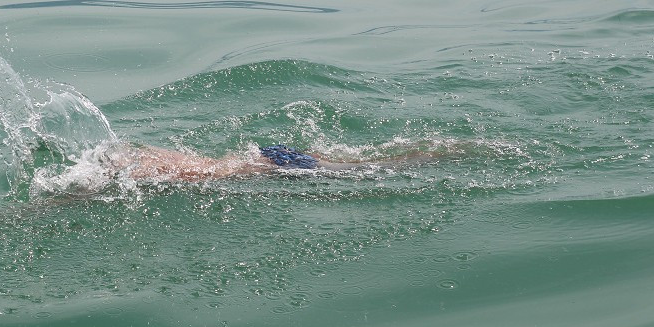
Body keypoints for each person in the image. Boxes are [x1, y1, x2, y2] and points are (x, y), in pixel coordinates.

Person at [101, 142, 455, 182]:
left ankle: (435, 155)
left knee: (363, 169)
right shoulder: (140, 156)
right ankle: (439, 153)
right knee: (362, 165)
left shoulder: (143, 167)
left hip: (271, 165)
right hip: (269, 158)